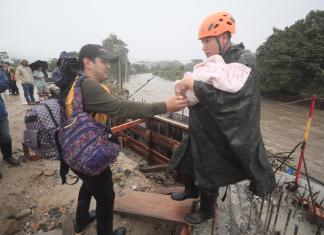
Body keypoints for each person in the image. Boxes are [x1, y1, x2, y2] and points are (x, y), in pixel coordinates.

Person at [66, 44, 188, 235]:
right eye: (103, 61)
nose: (108, 66)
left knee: (88, 184)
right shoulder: (88, 85)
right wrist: (164, 105)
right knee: (106, 196)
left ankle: (81, 220)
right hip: (88, 151)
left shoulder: (77, 82)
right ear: (87, 62)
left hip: (74, 149)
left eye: (109, 62)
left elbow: (106, 108)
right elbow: (120, 108)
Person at [169, 11, 276, 224]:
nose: (204, 47)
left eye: (207, 41)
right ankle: (190, 190)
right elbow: (202, 85)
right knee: (187, 157)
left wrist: (193, 84)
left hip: (221, 131)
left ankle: (206, 210)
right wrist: (187, 88)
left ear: (224, 38)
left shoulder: (244, 59)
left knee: (211, 169)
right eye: (202, 42)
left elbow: (231, 98)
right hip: (201, 126)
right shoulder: (216, 60)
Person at [0, 64, 20, 166]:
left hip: (1, 113)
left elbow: (4, 84)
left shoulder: (0, 72)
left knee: (5, 137)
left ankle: (8, 157)